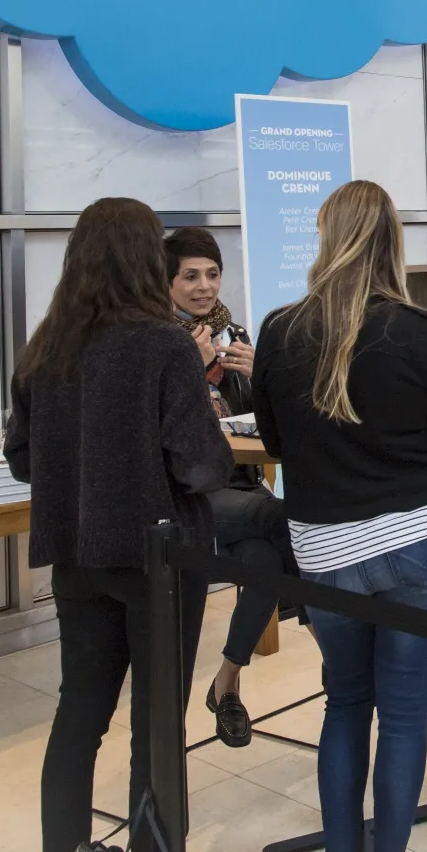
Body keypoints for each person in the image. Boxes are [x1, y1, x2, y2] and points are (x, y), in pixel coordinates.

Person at [251, 181, 427, 852]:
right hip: (417, 539)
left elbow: (274, 442)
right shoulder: (418, 328)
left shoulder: (280, 331)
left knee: (345, 704)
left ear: (325, 236)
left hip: (325, 547)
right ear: (391, 241)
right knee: (404, 711)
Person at [5, 198, 232, 852]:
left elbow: (22, 459)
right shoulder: (164, 343)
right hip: (157, 561)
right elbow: (200, 465)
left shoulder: (45, 346)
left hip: (77, 559)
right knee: (156, 726)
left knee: (78, 713)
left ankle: (65, 851)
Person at [164, 227, 289, 750]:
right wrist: (190, 371)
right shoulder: (159, 340)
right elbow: (160, 429)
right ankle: (343, 659)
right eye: (190, 276)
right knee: (287, 522)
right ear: (166, 281)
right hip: (190, 493)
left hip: (240, 478)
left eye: (212, 274)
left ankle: (226, 683)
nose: (204, 286)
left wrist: (263, 374)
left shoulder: (231, 331)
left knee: (264, 560)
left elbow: (259, 419)